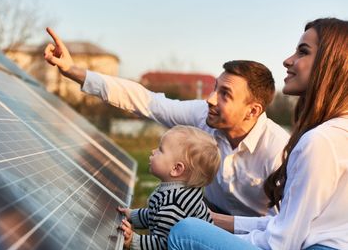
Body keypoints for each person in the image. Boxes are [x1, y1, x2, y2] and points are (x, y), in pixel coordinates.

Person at [167, 17, 348, 250]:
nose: (288, 60)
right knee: (197, 229)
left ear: (331, 65)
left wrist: (213, 243)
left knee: (185, 235)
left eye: (303, 52)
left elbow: (282, 245)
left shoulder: (320, 141)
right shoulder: (338, 133)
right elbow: (287, 224)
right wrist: (212, 221)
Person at [44, 29, 290, 217]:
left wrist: (213, 222)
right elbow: (146, 101)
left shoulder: (279, 150)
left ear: (252, 110)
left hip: (257, 238)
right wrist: (73, 71)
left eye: (225, 94)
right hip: (209, 217)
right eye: (215, 88)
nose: (211, 99)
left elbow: (284, 227)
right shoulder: (203, 115)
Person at [117, 125, 221, 250]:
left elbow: (163, 245)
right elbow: (156, 215)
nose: (153, 151)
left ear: (176, 169)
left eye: (160, 150)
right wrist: (132, 215)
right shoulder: (176, 193)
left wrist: (133, 241)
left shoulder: (175, 204)